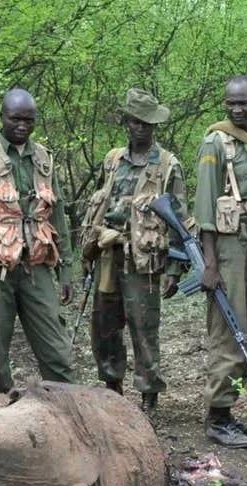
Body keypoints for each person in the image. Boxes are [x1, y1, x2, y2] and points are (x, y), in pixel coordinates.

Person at [0, 88, 76, 397]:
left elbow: (57, 217)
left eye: (29, 120)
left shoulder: (44, 158)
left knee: (58, 353)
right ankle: (1, 414)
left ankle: (66, 411)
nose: (22, 125)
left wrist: (67, 270)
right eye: (15, 118)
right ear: (2, 116)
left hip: (37, 267)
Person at [80, 88, 187, 414]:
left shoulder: (168, 165)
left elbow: (180, 217)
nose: (141, 128)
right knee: (104, 325)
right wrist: (90, 252)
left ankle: (148, 396)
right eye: (135, 121)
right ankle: (112, 389)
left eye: (147, 123)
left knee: (144, 329)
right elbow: (101, 205)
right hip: (109, 252)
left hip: (145, 258)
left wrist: (174, 268)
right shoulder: (113, 160)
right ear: (126, 122)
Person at [194, 75, 247, 448]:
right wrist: (209, 262)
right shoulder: (216, 142)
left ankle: (229, 410)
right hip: (224, 248)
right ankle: (217, 416)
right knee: (228, 330)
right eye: (231, 103)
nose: (236, 109)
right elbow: (206, 204)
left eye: (243, 102)